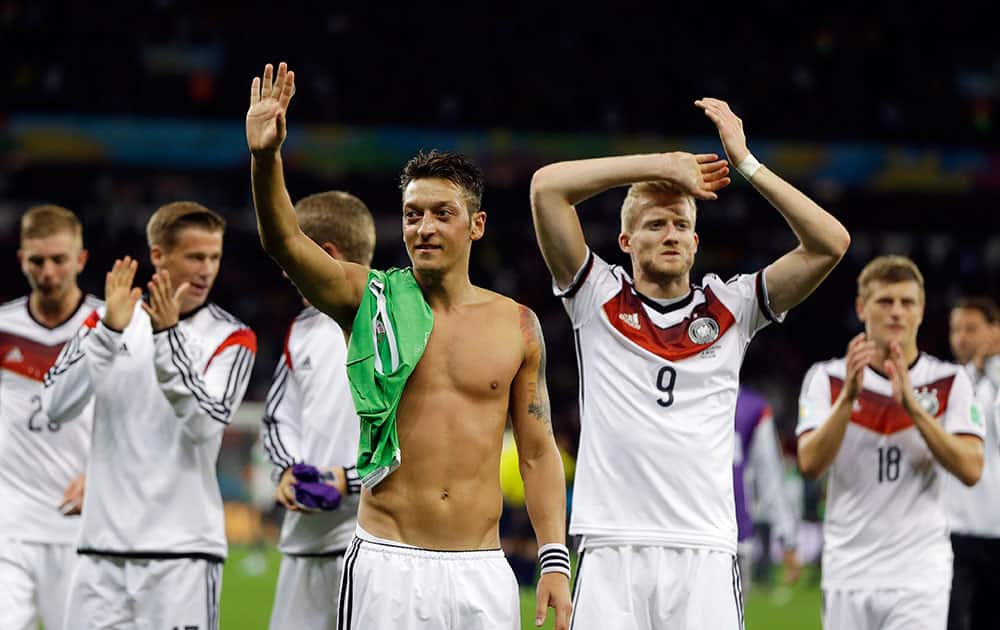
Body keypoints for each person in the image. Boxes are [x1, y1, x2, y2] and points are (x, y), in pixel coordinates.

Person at [246, 62, 572, 629]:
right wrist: (265, 159)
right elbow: (284, 243)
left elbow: (539, 451)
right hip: (384, 562)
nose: (424, 227)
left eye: (442, 214)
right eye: (412, 215)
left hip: (480, 567)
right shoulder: (367, 299)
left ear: (476, 225)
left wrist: (554, 561)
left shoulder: (516, 324)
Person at [529, 97, 850, 629]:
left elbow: (830, 243)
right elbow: (546, 187)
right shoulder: (595, 294)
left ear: (696, 242)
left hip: (704, 548)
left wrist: (747, 164)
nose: (671, 234)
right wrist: (659, 164)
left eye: (680, 224)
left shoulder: (735, 305)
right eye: (655, 224)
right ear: (626, 241)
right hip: (612, 546)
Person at [42, 202, 257, 629]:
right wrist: (107, 333)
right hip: (100, 553)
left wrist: (166, 338)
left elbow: (205, 423)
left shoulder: (232, 337)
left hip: (182, 556)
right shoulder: (106, 321)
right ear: (158, 256)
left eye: (214, 257)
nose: (207, 270)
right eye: (196, 256)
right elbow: (54, 406)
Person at [797, 256, 984, 630]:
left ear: (921, 311)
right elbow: (811, 464)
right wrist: (848, 399)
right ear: (861, 308)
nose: (897, 312)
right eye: (885, 301)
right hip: (848, 569)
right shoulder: (827, 378)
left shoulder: (950, 381)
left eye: (907, 302)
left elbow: (971, 468)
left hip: (918, 571)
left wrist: (914, 409)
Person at [262, 190, 375, 630]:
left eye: (292, 259)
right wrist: (289, 471)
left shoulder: (399, 323)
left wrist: (346, 480)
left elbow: (419, 439)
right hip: (304, 546)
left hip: (372, 542)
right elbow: (277, 418)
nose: (288, 275)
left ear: (325, 254)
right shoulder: (301, 330)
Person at [0, 205, 101, 630]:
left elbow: (141, 419)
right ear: (22, 259)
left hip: (84, 526)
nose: (48, 271)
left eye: (59, 259)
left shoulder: (108, 326)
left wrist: (104, 473)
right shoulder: (3, 327)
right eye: (37, 260)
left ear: (80, 260)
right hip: (10, 525)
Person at [945, 297, 1000, 630]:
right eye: (955, 330)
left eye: (970, 329)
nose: (961, 338)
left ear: (995, 331)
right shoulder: (947, 385)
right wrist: (974, 377)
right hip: (955, 531)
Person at [732, 386, 800, 592]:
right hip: (729, 533)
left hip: (726, 533)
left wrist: (787, 537)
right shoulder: (751, 406)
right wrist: (788, 538)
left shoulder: (753, 407)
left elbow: (768, 473)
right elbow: (769, 474)